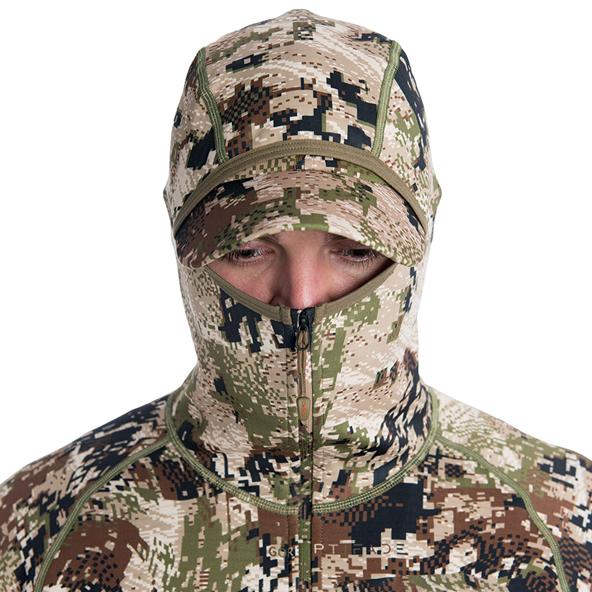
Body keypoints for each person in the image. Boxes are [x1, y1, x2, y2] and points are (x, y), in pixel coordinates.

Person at [1, 7, 590, 591]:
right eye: (248, 249)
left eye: (354, 249)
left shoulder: (566, 524)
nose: (302, 298)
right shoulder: (36, 531)